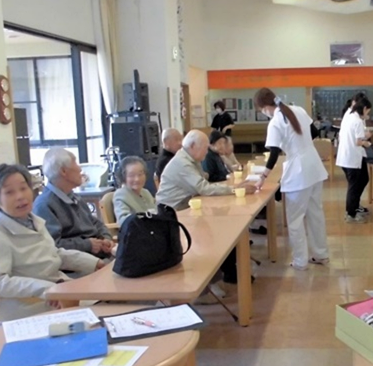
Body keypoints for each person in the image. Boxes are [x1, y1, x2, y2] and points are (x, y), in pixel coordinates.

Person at [0, 164, 104, 322]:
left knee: (114, 305)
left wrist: (95, 263)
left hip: (60, 294)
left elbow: (54, 253)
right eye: (9, 192)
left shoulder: (32, 220)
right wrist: (44, 289)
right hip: (31, 308)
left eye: (23, 188)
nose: (20, 196)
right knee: (106, 314)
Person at [156, 130, 256, 286]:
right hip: (174, 213)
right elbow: (203, 188)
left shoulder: (190, 159)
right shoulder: (182, 163)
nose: (207, 150)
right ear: (193, 146)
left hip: (189, 206)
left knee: (226, 227)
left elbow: (203, 181)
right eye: (204, 147)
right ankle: (221, 273)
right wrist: (234, 190)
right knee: (219, 231)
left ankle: (228, 270)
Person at [253, 88, 330, 270]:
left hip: (298, 173)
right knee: (315, 214)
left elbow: (273, 153)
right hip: (314, 167)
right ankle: (321, 254)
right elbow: (314, 132)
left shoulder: (275, 122)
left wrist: (262, 177)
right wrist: (301, 144)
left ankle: (300, 261)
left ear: (264, 107)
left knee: (295, 220)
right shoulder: (298, 110)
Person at [33, 148, 115, 258]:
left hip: (98, 256)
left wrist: (106, 239)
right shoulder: (44, 205)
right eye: (75, 162)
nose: (80, 168)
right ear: (63, 171)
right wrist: (87, 245)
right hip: (78, 264)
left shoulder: (75, 197)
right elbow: (52, 246)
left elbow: (96, 223)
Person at [336, 97, 372, 224]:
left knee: (363, 179)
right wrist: (366, 143)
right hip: (351, 157)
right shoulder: (356, 120)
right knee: (354, 185)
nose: (368, 114)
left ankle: (354, 206)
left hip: (349, 156)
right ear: (364, 108)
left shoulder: (349, 115)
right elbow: (358, 142)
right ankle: (351, 213)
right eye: (368, 111)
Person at [113, 156, 156, 224]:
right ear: (123, 177)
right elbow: (123, 221)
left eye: (140, 174)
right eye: (131, 175)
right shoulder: (121, 195)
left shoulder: (146, 192)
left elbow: (156, 213)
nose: (137, 179)